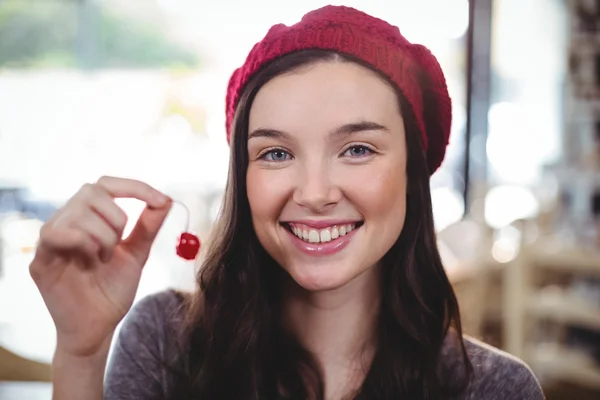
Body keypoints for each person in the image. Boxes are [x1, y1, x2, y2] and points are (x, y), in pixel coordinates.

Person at [30, 5, 545, 400]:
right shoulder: (164, 342)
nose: (315, 193)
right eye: (276, 152)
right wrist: (80, 351)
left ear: (412, 172)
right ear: (243, 176)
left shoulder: (494, 388)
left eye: (358, 149)